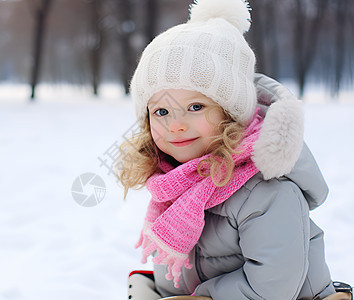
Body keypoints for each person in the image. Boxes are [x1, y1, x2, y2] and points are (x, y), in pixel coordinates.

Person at [117, 0, 343, 299]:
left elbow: (273, 286)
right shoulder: (174, 181)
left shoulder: (268, 192)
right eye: (161, 112)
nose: (176, 125)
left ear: (231, 114)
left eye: (195, 107)